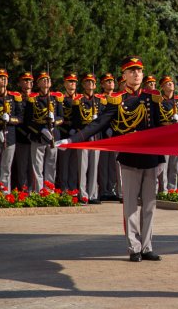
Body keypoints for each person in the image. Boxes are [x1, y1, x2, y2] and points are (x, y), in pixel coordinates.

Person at [59, 56, 164, 262]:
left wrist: (161, 158)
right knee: (131, 205)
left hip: (151, 158)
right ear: (123, 76)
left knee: (150, 205)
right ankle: (134, 247)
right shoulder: (117, 100)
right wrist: (73, 139)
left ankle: (147, 246)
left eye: (139, 71)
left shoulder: (152, 98)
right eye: (131, 71)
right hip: (130, 158)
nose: (136, 74)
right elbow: (97, 124)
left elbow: (159, 129)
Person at [26, 72, 64, 192]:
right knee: (37, 166)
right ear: (38, 83)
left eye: (48, 79)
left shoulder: (56, 98)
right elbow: (28, 120)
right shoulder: (33, 99)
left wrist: (53, 123)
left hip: (53, 135)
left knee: (51, 165)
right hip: (38, 135)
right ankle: (38, 191)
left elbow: (61, 118)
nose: (46, 81)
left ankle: (49, 190)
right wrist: (41, 129)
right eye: (43, 79)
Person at [71, 73, 105, 204]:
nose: (90, 84)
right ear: (83, 85)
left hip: (96, 137)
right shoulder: (78, 100)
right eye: (87, 82)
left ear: (95, 85)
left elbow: (104, 118)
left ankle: (92, 194)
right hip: (83, 136)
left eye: (92, 82)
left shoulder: (100, 101)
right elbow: (75, 120)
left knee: (94, 167)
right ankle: (83, 194)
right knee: (83, 166)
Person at [159, 75, 178, 192]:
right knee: (164, 166)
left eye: (171, 82)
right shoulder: (160, 101)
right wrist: (169, 122)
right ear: (162, 87)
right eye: (167, 83)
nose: (171, 84)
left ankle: (172, 189)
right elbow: (158, 119)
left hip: (176, 137)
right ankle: (164, 190)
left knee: (174, 166)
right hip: (165, 137)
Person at [97, 72, 120, 201]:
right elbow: (101, 117)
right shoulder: (100, 99)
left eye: (112, 81)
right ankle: (103, 189)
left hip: (115, 134)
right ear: (102, 84)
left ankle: (111, 188)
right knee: (103, 163)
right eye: (107, 81)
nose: (111, 83)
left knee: (113, 163)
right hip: (103, 135)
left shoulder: (118, 98)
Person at [13, 71, 35, 190]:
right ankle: (23, 189)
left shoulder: (36, 97)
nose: (28, 82)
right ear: (20, 83)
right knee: (21, 166)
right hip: (21, 136)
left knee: (34, 167)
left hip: (35, 136)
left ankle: (32, 190)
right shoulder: (17, 98)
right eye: (25, 80)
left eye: (30, 80)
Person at [58, 72, 79, 191]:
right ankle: (64, 188)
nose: (72, 84)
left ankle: (73, 188)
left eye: (74, 82)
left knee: (74, 164)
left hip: (76, 133)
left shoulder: (79, 98)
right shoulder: (61, 98)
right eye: (70, 82)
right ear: (65, 83)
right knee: (64, 163)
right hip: (63, 132)